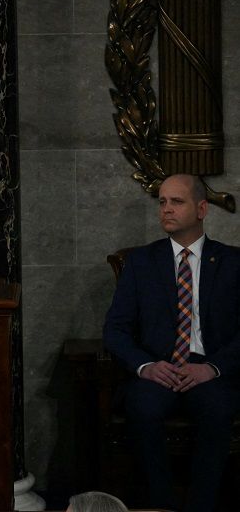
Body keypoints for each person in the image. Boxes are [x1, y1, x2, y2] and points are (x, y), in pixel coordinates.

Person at [103, 173, 240, 512]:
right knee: (142, 407)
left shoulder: (233, 262)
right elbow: (115, 330)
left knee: (220, 408)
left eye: (176, 201)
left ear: (202, 208)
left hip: (208, 370)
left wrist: (213, 368)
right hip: (158, 369)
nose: (166, 209)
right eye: (162, 202)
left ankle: (201, 506)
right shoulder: (140, 262)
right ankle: (160, 506)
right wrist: (146, 366)